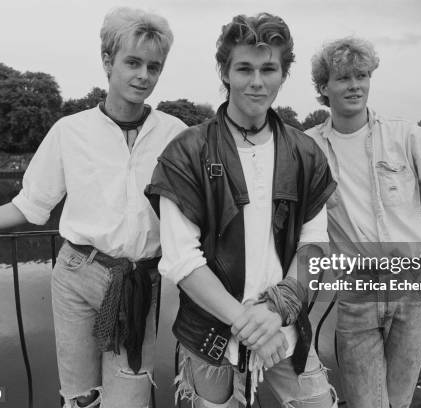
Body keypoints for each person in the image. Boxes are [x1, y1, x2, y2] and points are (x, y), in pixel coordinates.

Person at [0, 7, 186, 408]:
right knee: (80, 397)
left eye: (154, 67)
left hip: (138, 282)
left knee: (129, 397)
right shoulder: (69, 131)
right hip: (75, 275)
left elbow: (201, 209)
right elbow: (28, 206)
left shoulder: (176, 134)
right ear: (108, 62)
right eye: (133, 62)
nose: (143, 75)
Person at [145, 13, 338, 408]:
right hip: (210, 333)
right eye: (244, 68)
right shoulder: (187, 151)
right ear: (225, 72)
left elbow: (314, 246)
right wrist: (249, 325)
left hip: (283, 329)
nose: (256, 81)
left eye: (269, 69)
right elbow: (182, 260)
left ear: (283, 74)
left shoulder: (305, 153)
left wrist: (274, 313)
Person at [306, 37, 421, 408]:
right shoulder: (309, 147)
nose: (354, 85)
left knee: (398, 401)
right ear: (324, 87)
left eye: (362, 75)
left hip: (415, 284)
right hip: (356, 287)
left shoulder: (405, 135)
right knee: (368, 402)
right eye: (343, 77)